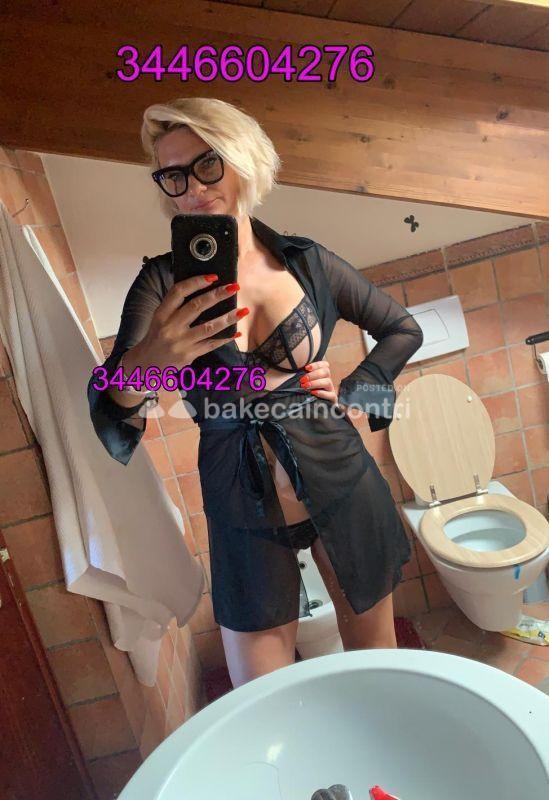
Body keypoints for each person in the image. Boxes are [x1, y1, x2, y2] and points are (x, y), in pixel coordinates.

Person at [87, 97, 424, 689]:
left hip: (342, 479)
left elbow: (402, 329)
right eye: (173, 175)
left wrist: (356, 390)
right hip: (240, 502)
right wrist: (150, 361)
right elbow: (116, 405)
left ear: (241, 159)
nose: (193, 188)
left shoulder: (307, 262)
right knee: (260, 696)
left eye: (206, 164)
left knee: (380, 673)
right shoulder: (162, 283)